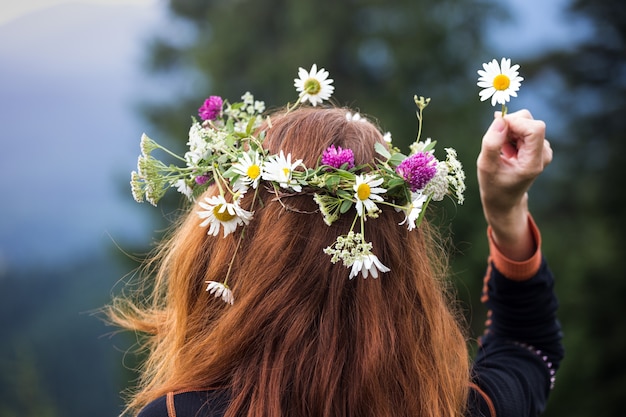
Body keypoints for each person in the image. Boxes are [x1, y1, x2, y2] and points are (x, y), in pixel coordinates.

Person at [109, 67, 562, 417]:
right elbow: (529, 349)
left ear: (230, 249)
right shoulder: (452, 407)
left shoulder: (175, 414)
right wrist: (506, 210)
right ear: (400, 265)